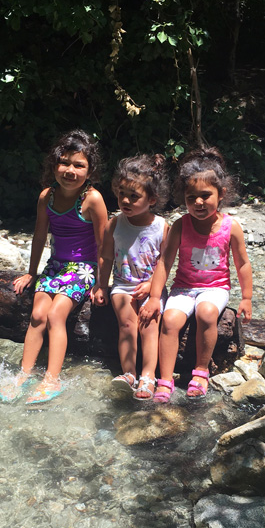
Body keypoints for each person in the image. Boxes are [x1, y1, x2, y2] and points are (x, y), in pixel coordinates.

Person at [2, 129, 107, 405]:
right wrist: (31, 272)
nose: (70, 170)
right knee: (38, 314)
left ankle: (52, 379)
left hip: (83, 268)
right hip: (55, 266)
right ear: (54, 165)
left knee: (55, 314)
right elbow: (39, 236)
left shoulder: (92, 199)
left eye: (79, 165)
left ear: (90, 171)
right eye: (64, 163)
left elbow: (104, 243)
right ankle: (24, 374)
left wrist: (101, 283)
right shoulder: (46, 197)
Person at [139, 146, 252, 403]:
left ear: (221, 194)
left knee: (207, 313)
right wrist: (155, 297)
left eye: (205, 195)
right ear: (184, 198)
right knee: (170, 320)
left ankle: (201, 371)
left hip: (216, 288)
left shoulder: (230, 227)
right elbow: (165, 262)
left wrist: (246, 298)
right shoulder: (181, 225)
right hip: (184, 288)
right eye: (192, 197)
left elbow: (243, 264)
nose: (198, 202)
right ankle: (165, 379)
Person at [95, 154, 169, 400]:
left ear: (152, 200)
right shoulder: (114, 224)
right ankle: (129, 373)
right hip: (123, 285)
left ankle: (148, 376)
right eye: (122, 194)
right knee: (127, 324)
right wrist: (101, 286)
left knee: (149, 324)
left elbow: (165, 262)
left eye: (134, 196)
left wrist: (152, 286)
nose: (125, 200)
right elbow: (106, 257)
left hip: (151, 286)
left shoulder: (161, 226)